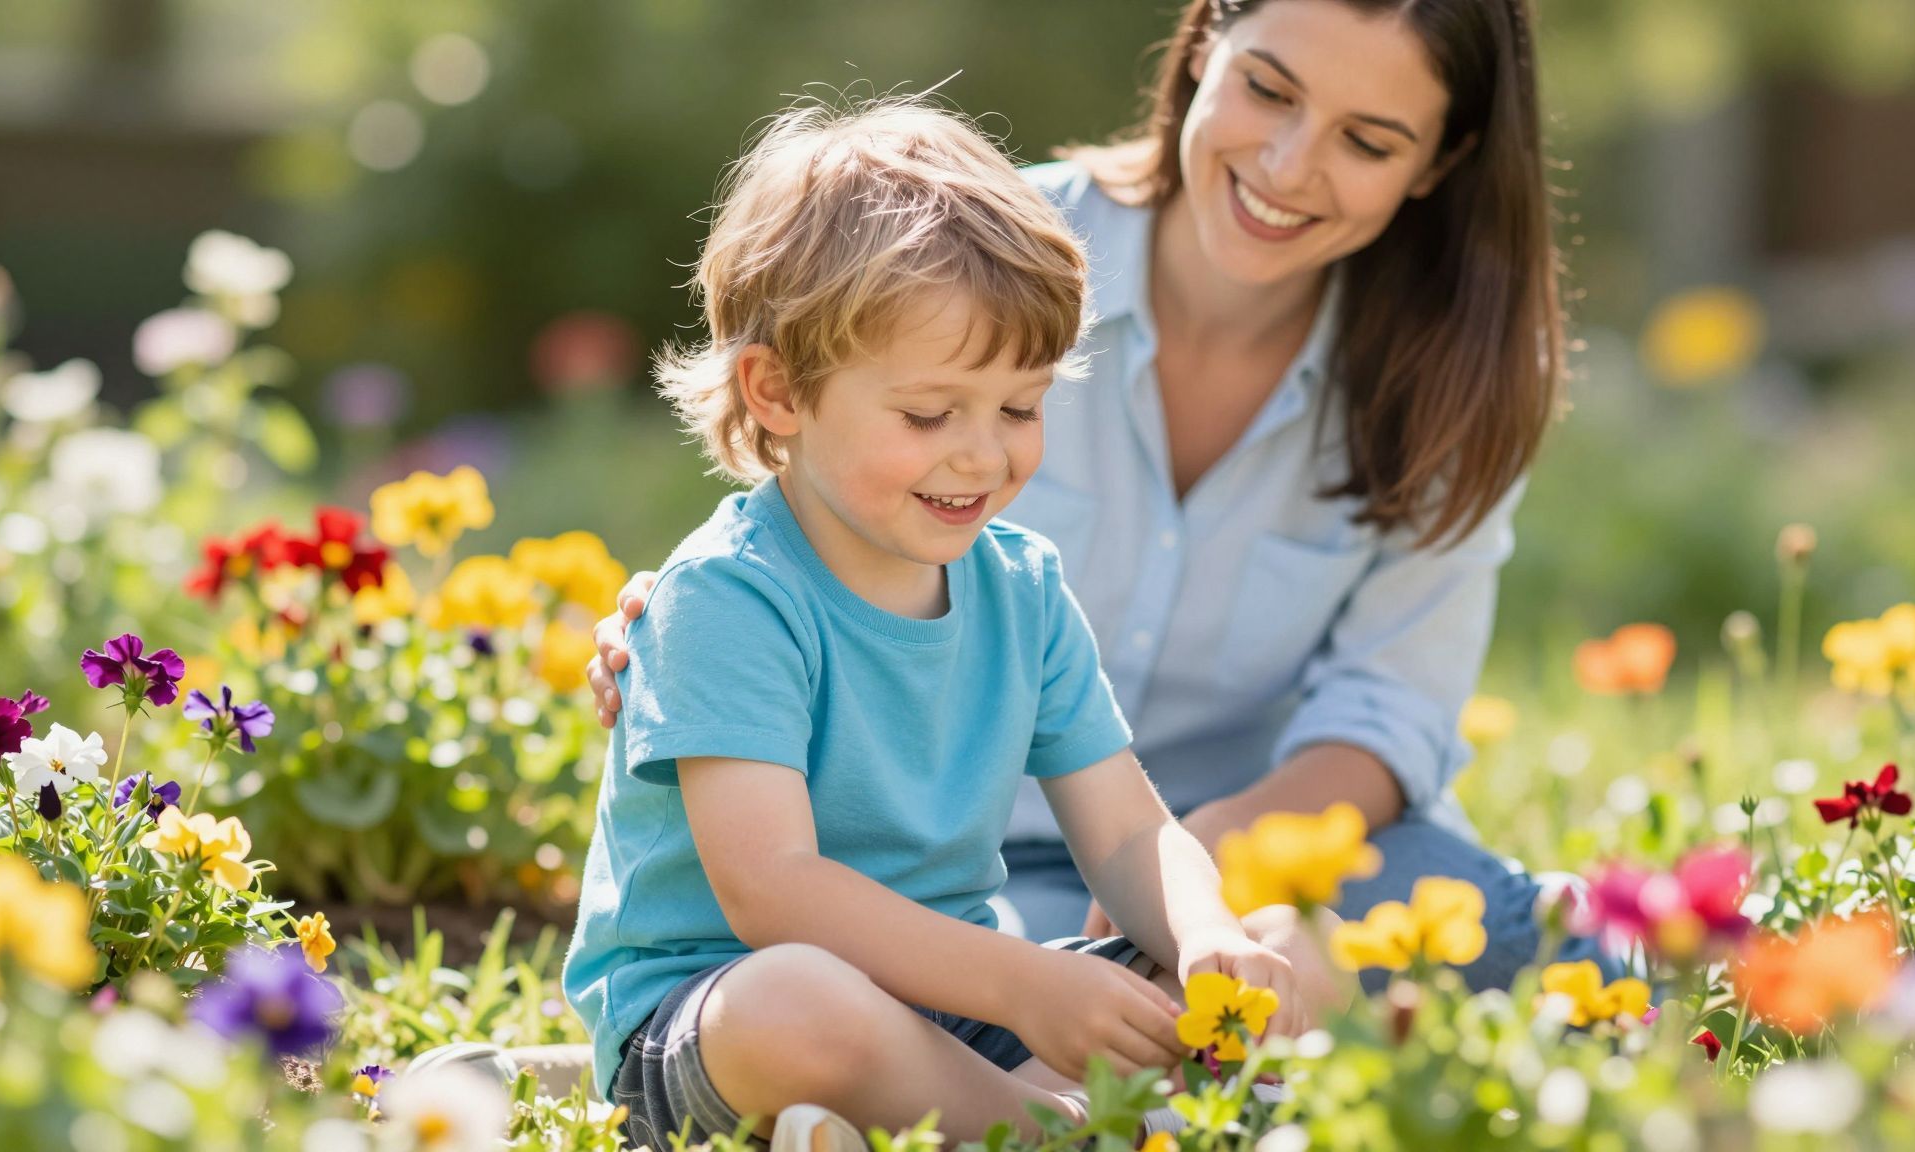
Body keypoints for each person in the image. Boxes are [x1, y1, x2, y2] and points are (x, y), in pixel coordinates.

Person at [591, 0, 1614, 991]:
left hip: (1276, 848)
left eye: (1368, 142)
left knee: (1443, 934)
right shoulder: (981, 259)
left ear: (1436, 162)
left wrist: (1204, 862)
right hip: (991, 872)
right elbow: (796, 500)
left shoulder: (1454, 369)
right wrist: (684, 622)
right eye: (1267, 89)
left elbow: (1389, 712)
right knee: (977, 990)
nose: (1287, 166)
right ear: (1207, 37)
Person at [561, 98, 1350, 1152]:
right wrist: (1023, 987)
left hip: (966, 1014)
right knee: (799, 1004)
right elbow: (773, 893)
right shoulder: (727, 598)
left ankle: (926, 1125)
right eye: (929, 415)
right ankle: (1063, 1133)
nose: (982, 456)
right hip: (720, 1019)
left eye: (1018, 408)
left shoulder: (1018, 586)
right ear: (778, 389)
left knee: (1296, 949)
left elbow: (1122, 828)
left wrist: (1205, 939)